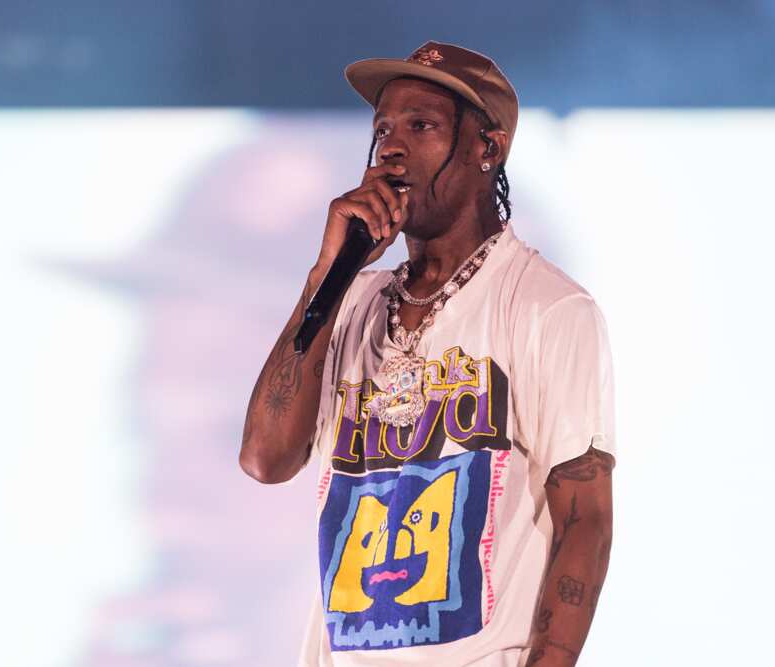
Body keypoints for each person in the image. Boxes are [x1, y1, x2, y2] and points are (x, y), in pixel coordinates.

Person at [240, 41, 616, 667]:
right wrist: (322, 279)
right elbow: (265, 458)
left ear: (487, 150)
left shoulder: (546, 307)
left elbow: (587, 520)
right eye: (383, 128)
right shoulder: (351, 301)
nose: (391, 147)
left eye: (422, 126)